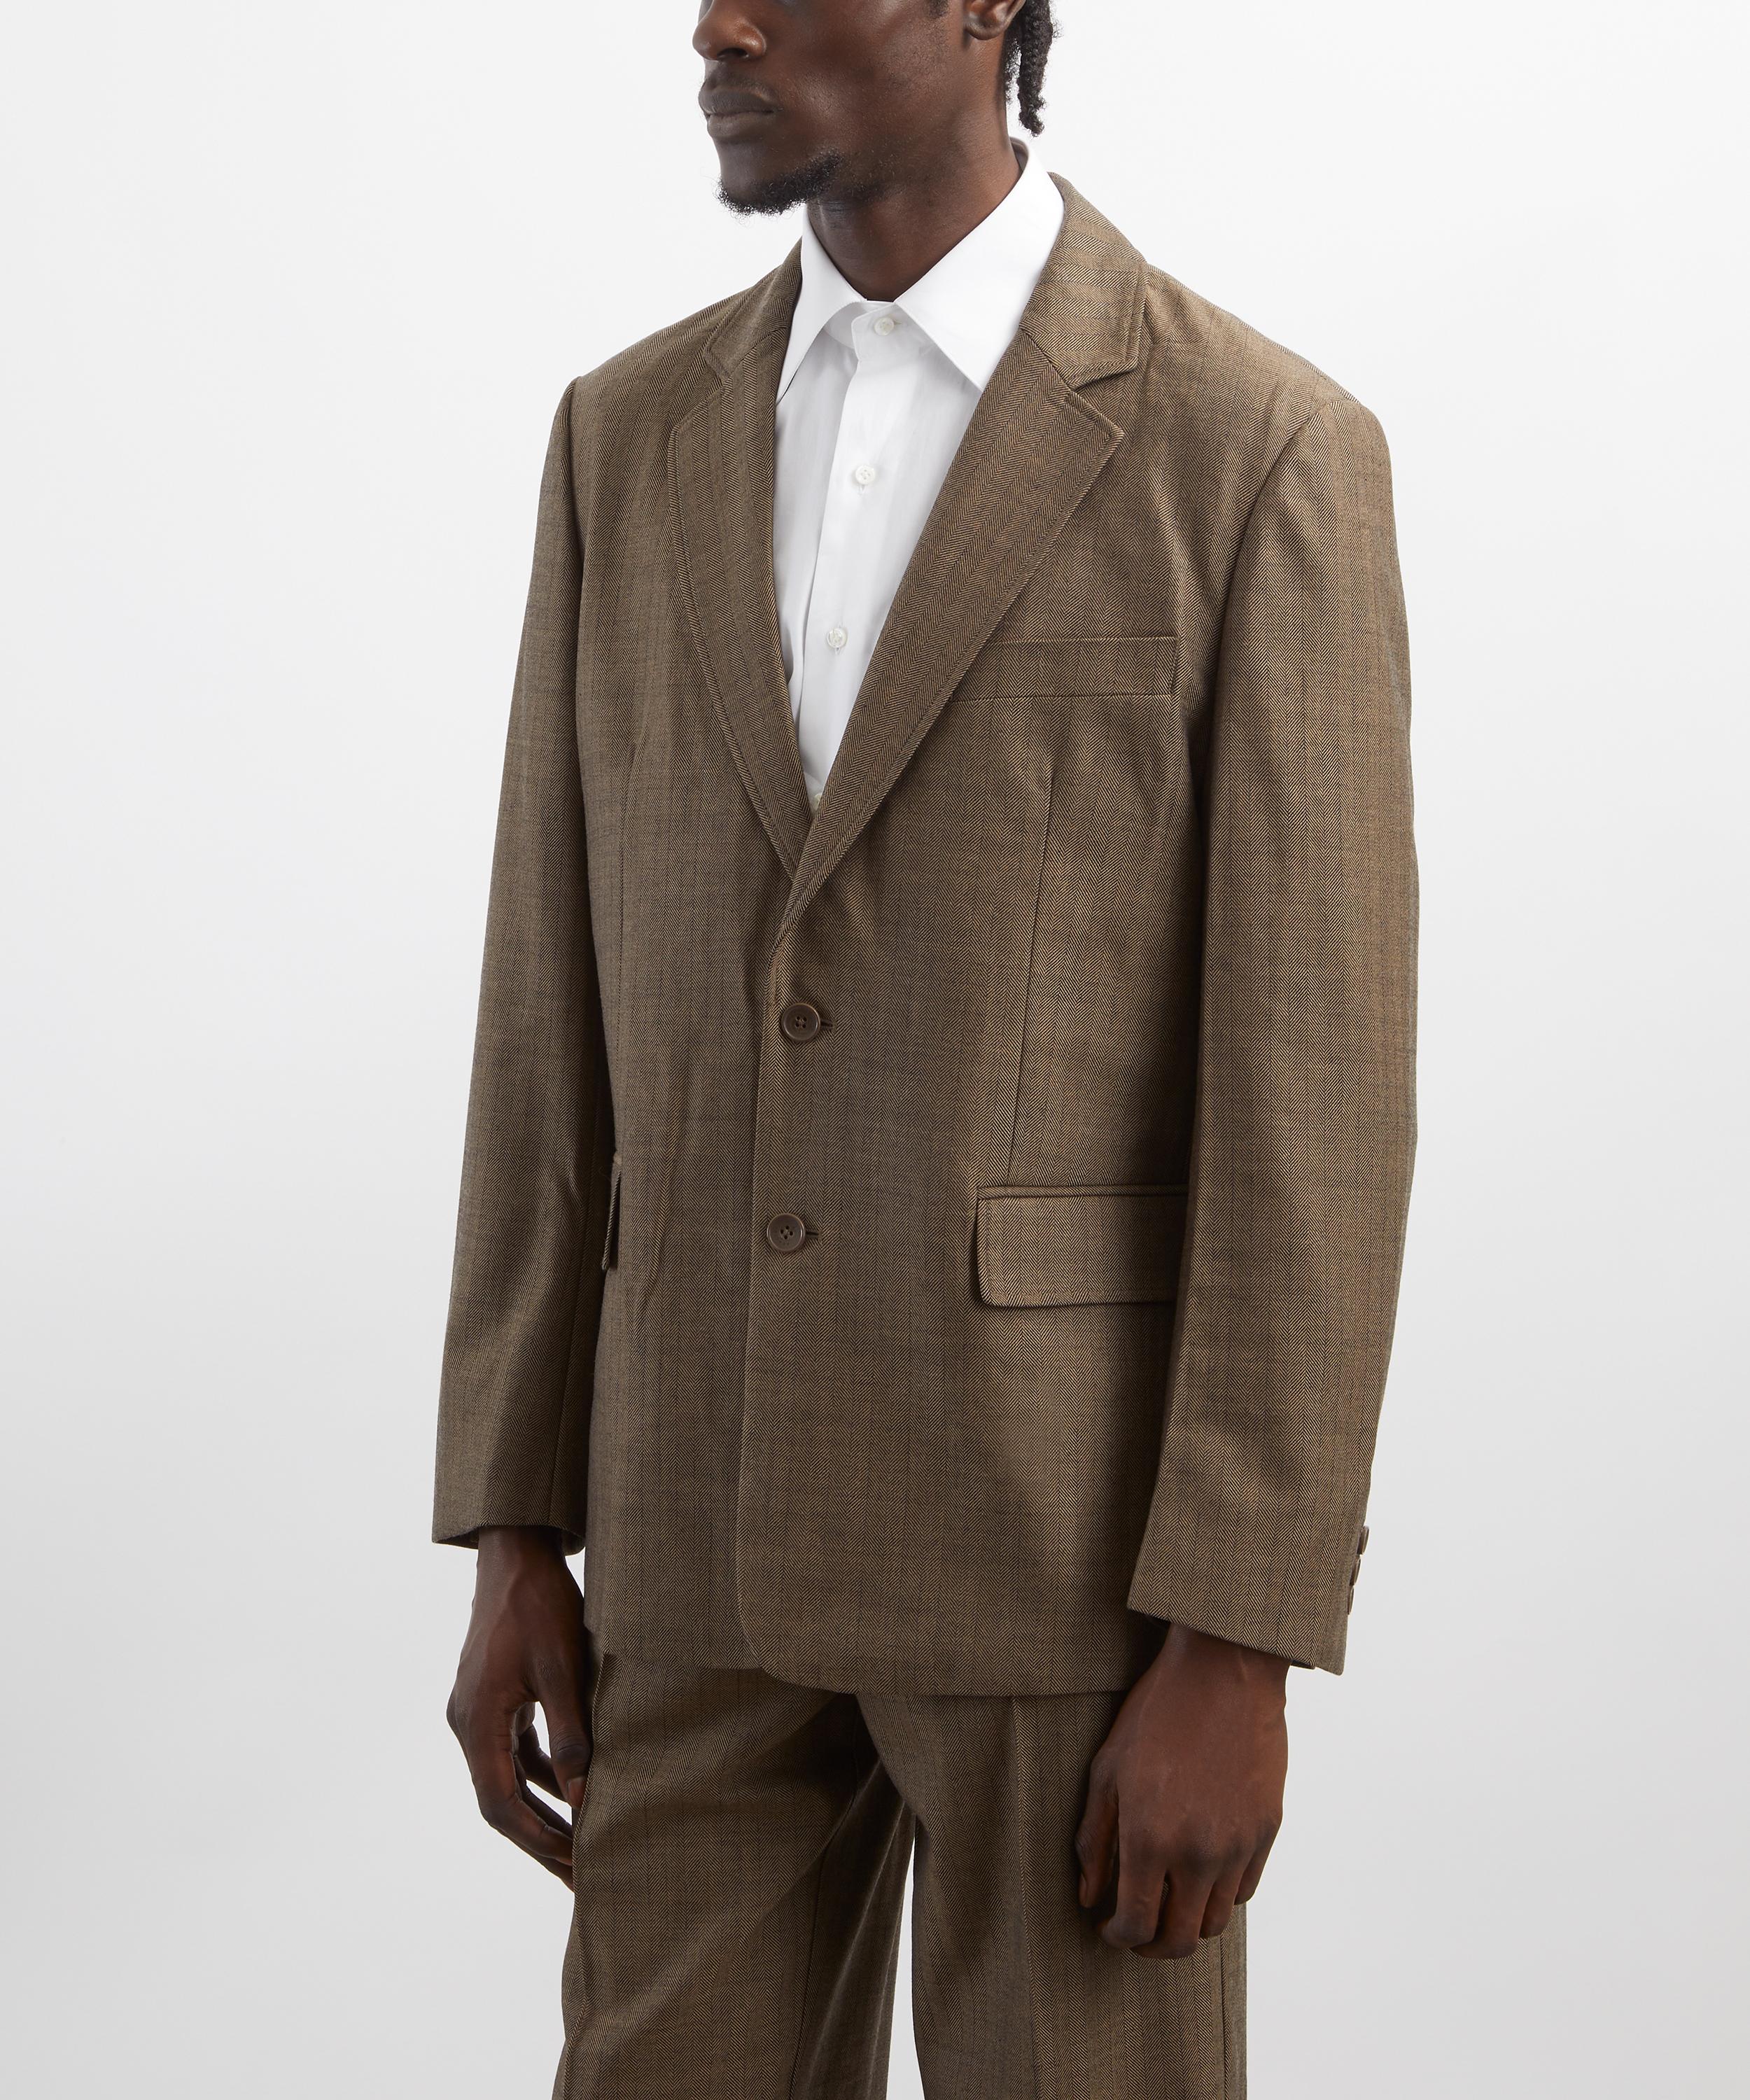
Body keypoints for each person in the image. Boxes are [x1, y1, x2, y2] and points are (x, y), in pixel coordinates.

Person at [434, 3, 1417, 2093]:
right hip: (686, 1542)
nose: (717, 23)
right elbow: (546, 1003)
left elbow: (1313, 1094)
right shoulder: (625, 438)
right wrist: (517, 1515)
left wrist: (1238, 1632)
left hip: (1068, 1575)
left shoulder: (1252, 447)